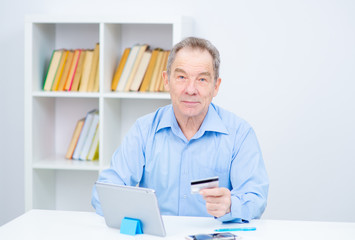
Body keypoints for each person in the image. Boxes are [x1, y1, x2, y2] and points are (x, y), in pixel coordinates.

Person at [91, 37, 269, 223]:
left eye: (202, 79)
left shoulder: (239, 133)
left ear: (215, 86)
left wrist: (231, 205)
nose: (190, 89)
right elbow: (103, 193)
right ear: (166, 81)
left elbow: (256, 199)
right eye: (182, 77)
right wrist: (137, 212)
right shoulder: (144, 130)